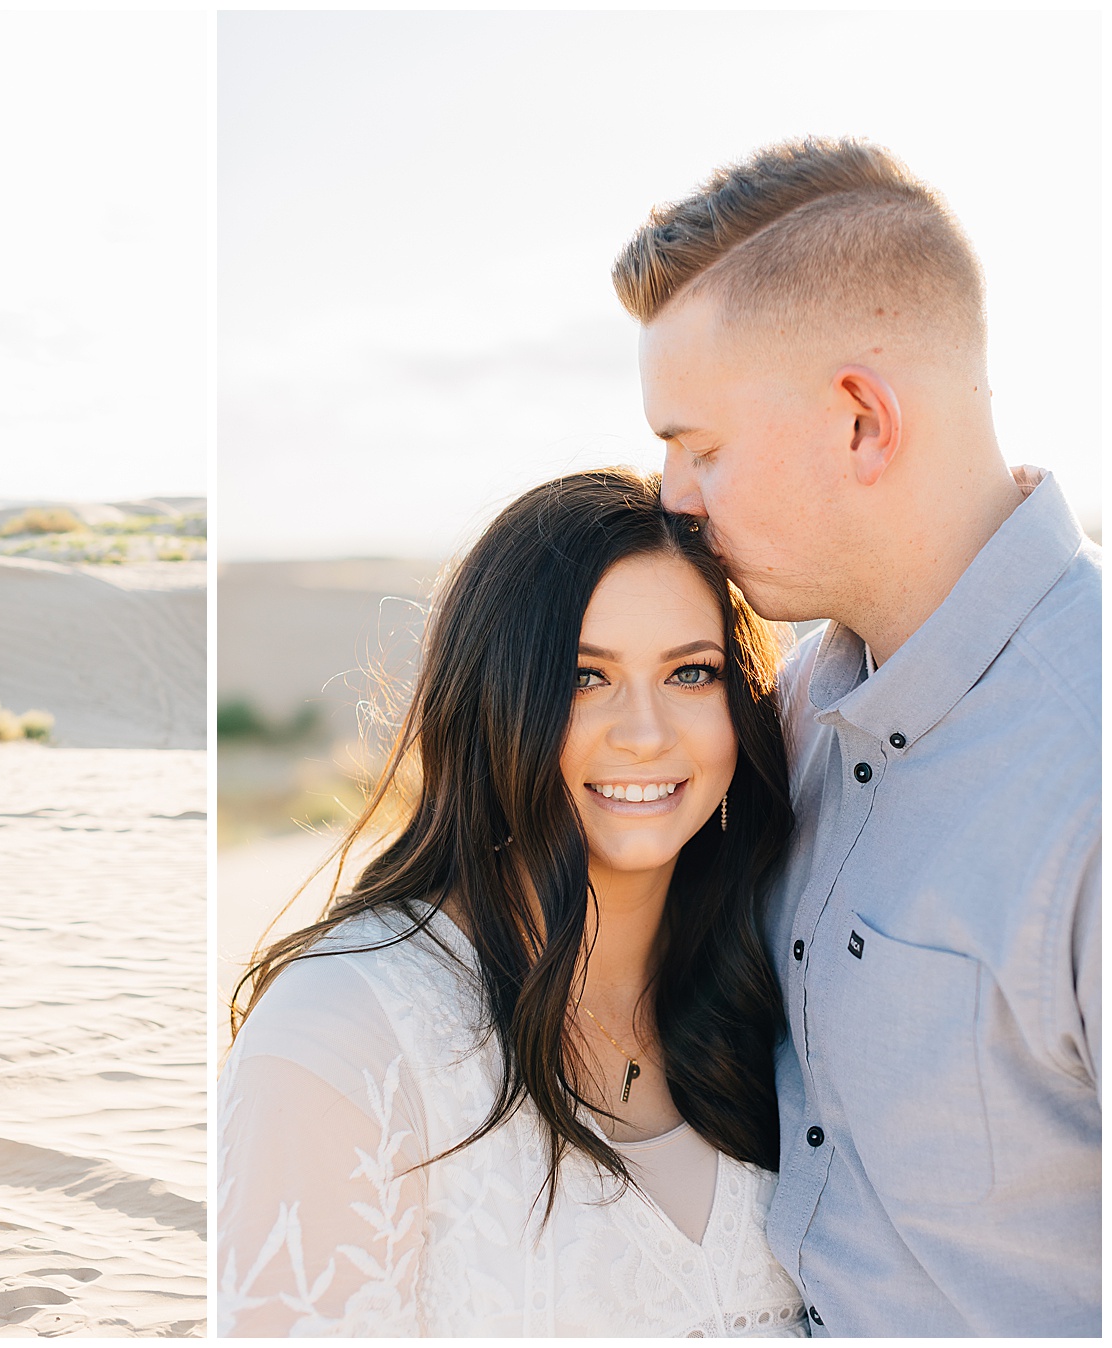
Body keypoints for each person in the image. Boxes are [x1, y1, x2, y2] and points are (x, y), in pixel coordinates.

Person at [616, 136, 1100, 1336]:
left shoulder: (1091, 764)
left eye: (702, 446)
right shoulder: (785, 716)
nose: (672, 492)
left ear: (861, 423)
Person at [220, 468, 808, 1336]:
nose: (645, 733)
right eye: (581, 677)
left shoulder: (777, 986)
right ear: (491, 702)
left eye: (691, 673)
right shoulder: (343, 1036)